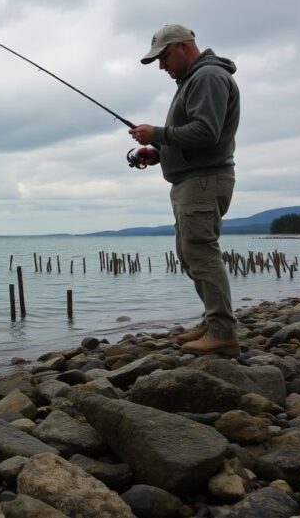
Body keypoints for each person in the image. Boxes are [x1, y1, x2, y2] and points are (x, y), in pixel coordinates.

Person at [128, 24, 240, 357]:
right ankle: (213, 321)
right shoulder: (195, 79)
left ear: (183, 47)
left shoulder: (207, 77)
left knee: (201, 254)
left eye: (163, 57)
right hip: (193, 180)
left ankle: (222, 332)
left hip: (204, 181)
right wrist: (158, 153)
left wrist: (157, 134)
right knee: (190, 255)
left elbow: (206, 132)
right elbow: (195, 137)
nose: (162, 66)